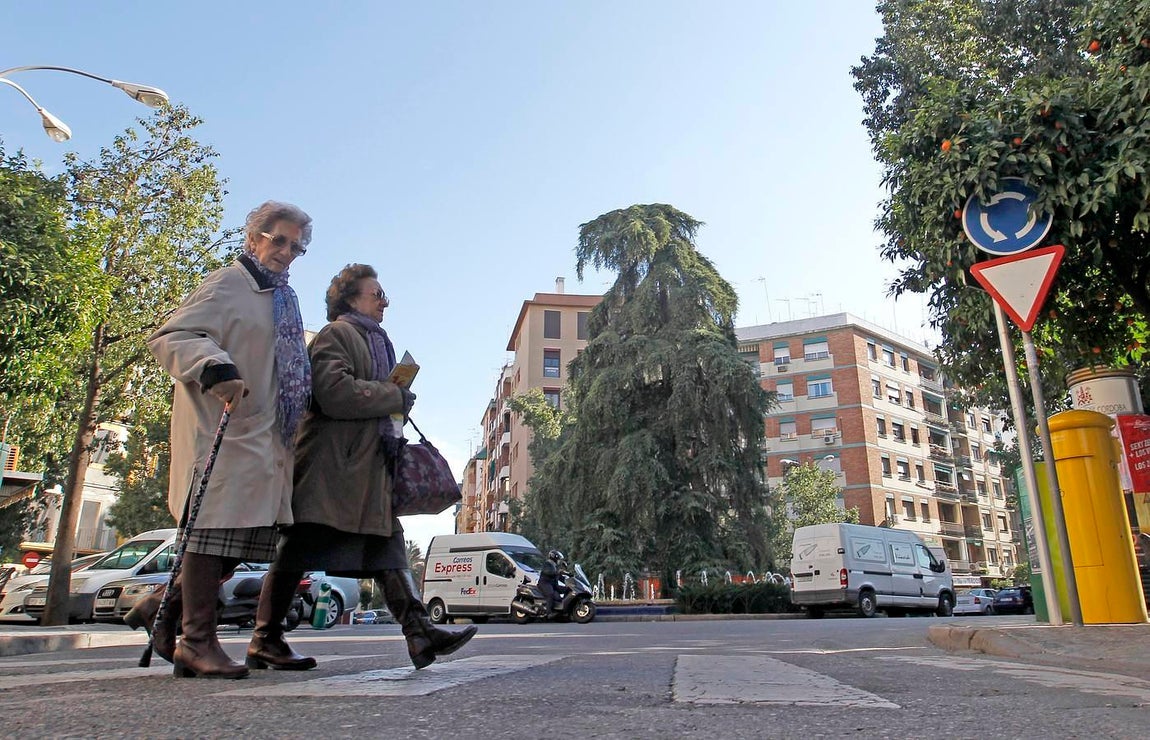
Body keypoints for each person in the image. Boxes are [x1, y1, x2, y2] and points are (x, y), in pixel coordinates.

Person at [248, 263, 476, 671]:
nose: (385, 301)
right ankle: (264, 638)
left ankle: (419, 632)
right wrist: (392, 396)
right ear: (351, 298)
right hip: (331, 469)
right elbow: (333, 393)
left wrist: (396, 401)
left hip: (365, 469)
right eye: (377, 294)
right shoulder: (337, 334)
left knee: (387, 547)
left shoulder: (374, 340)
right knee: (298, 549)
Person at [137, 201, 313, 679]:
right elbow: (173, 336)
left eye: (296, 246)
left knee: (240, 540)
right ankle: (196, 642)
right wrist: (215, 368)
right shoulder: (227, 284)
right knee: (211, 533)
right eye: (278, 240)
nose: (286, 252)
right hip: (224, 427)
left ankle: (160, 609)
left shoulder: (281, 297)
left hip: (263, 435)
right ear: (254, 238)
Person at [538, 549, 569, 616]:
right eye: (559, 559)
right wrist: (558, 572)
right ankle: (548, 613)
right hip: (545, 583)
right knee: (550, 594)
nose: (559, 561)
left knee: (568, 589)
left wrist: (569, 578)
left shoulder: (554, 566)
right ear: (555, 558)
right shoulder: (547, 564)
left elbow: (560, 577)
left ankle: (564, 609)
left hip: (553, 585)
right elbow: (548, 572)